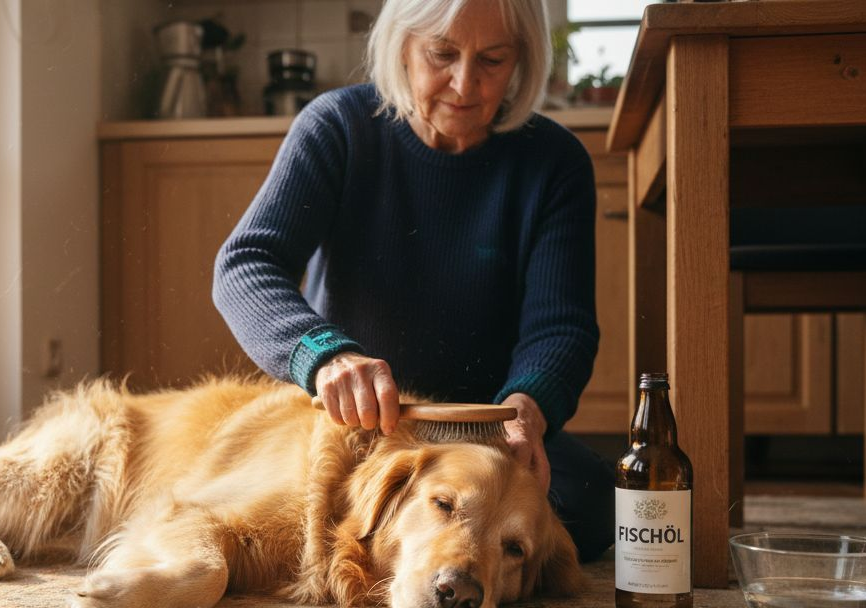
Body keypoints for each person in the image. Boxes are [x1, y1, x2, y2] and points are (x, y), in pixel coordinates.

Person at [212, 0, 614, 562]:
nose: (464, 84)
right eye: (442, 55)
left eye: (492, 60)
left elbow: (561, 326)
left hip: (483, 438)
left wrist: (530, 403)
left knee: (592, 507)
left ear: (522, 59)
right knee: (286, 511)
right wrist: (326, 356)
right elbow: (247, 262)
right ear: (402, 46)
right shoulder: (337, 126)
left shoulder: (554, 161)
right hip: (360, 430)